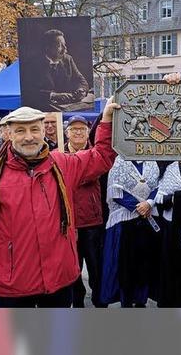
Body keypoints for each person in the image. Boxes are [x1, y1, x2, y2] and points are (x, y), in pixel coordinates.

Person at [0, 103, 118, 308]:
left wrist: (107, 119)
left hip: (59, 281)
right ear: (8, 134)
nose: (28, 137)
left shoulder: (63, 165)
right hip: (13, 285)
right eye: (20, 130)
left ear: (43, 131)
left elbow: (102, 156)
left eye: (34, 129)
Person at [100, 157, 161, 307]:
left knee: (144, 262)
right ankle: (126, 300)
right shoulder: (120, 160)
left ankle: (141, 299)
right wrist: (139, 207)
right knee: (125, 264)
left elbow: (159, 186)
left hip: (146, 221)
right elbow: (115, 189)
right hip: (125, 224)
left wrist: (149, 203)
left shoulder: (151, 161)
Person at [65, 115, 107, 308]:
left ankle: (100, 302)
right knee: (73, 270)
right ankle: (78, 302)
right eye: (74, 129)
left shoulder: (95, 155)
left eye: (82, 129)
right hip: (69, 224)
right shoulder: (59, 156)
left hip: (92, 223)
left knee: (96, 268)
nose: (78, 132)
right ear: (67, 133)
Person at [154, 160, 181, 307]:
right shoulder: (170, 169)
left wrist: (179, 196)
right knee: (171, 264)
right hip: (171, 226)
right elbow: (159, 198)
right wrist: (175, 198)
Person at [21, 29, 90, 111]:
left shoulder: (68, 59)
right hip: (43, 110)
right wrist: (53, 95)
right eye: (60, 46)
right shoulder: (32, 64)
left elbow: (82, 81)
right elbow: (29, 92)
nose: (65, 49)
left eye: (65, 45)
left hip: (68, 107)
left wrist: (81, 90)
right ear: (48, 48)